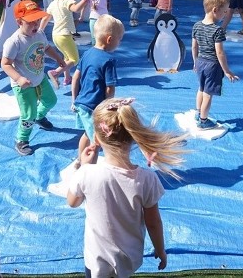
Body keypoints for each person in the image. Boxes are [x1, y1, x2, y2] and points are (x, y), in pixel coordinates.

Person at [67, 97, 188, 277]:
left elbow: (72, 202)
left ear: (96, 138)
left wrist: (84, 166)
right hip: (128, 258)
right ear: (133, 136)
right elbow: (153, 223)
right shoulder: (148, 179)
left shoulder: (87, 173)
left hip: (96, 259)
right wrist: (160, 250)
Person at [1, 0, 67, 156]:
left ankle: (39, 117)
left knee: (51, 100)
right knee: (28, 114)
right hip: (23, 85)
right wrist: (19, 79)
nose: (36, 25)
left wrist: (57, 58)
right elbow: (5, 64)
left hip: (39, 77)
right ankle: (21, 139)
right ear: (19, 22)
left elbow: (47, 47)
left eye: (37, 20)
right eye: (30, 22)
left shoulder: (39, 34)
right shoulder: (14, 42)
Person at [70, 14, 124, 166]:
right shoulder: (109, 60)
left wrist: (74, 100)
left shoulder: (87, 53)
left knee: (87, 135)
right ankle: (89, 173)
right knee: (96, 141)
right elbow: (109, 88)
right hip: (93, 107)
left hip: (81, 103)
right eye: (119, 39)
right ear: (109, 39)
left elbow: (75, 78)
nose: (119, 43)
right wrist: (109, 107)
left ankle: (80, 160)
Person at [192, 0, 239, 129]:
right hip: (212, 65)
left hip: (200, 62)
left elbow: (194, 46)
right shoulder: (217, 30)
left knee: (201, 89)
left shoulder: (197, 26)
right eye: (224, 12)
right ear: (215, 10)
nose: (225, 14)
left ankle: (198, 112)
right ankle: (203, 120)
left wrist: (195, 61)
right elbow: (220, 52)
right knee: (208, 94)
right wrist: (227, 70)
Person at [40, 0, 89, 87]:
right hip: (65, 35)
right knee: (74, 59)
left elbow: (45, 19)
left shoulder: (52, 4)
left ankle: (67, 78)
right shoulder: (67, 1)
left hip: (56, 36)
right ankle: (55, 72)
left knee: (67, 57)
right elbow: (76, 9)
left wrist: (40, 31)